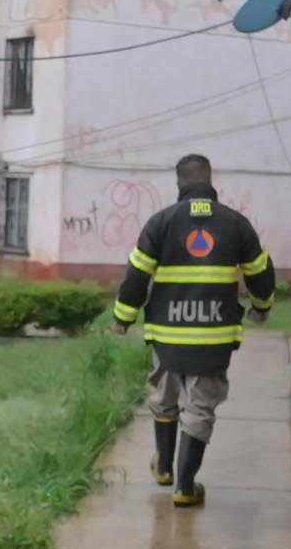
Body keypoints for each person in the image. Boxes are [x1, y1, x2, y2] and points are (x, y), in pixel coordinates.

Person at [111, 154, 275, 507]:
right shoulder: (235, 224)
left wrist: (123, 317)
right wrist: (261, 308)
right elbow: (261, 273)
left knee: (165, 399)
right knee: (199, 408)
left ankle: (165, 467)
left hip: (167, 336)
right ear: (210, 180)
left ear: (179, 184)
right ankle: (185, 488)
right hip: (212, 338)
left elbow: (136, 275)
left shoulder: (161, 222)